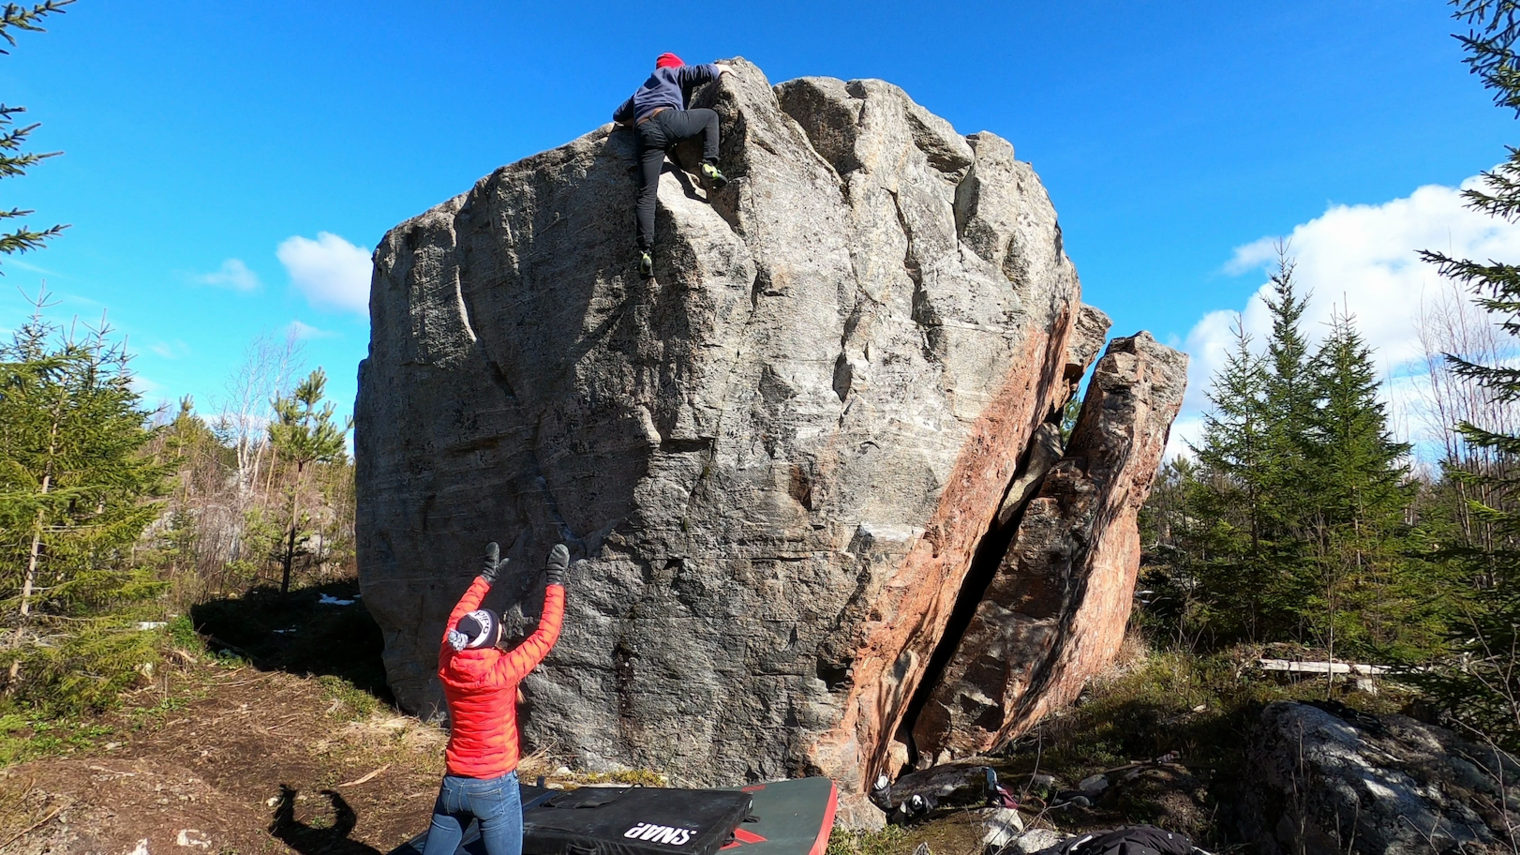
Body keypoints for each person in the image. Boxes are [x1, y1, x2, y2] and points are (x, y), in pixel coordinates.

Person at [421, 541, 569, 855]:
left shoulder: (448, 658)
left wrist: (486, 576)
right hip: (495, 786)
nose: (501, 625)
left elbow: (458, 618)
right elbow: (546, 634)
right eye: (497, 625)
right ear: (490, 640)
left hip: (454, 785)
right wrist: (555, 579)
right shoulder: (500, 672)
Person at [614, 52, 735, 277]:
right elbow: (701, 72)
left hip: (644, 132)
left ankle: (645, 251)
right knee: (710, 117)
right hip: (668, 119)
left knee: (646, 193)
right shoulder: (674, 72)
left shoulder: (642, 90)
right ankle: (709, 164)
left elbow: (618, 115)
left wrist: (640, 115)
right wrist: (722, 69)